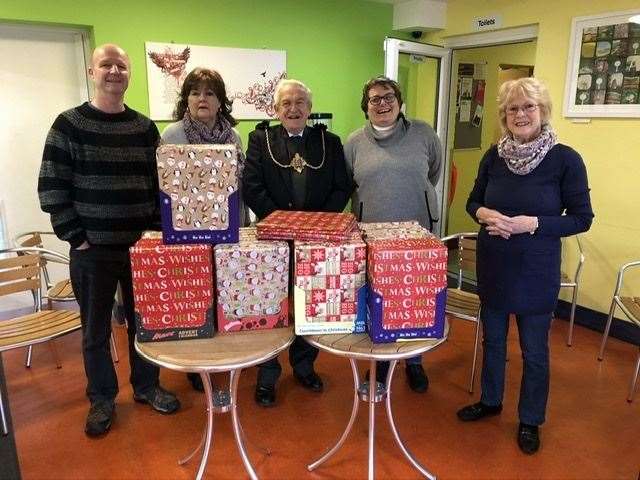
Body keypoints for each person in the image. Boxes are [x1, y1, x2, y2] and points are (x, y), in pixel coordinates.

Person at [38, 44, 180, 437]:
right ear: (92, 72)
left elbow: (161, 185)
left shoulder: (143, 128)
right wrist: (77, 238)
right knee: (95, 331)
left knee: (146, 325)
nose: (114, 71)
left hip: (142, 250)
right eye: (106, 65)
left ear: (129, 74)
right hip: (92, 251)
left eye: (121, 65)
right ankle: (102, 400)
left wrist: (154, 232)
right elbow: (51, 187)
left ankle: (147, 387)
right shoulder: (68, 125)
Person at [456, 77, 593, 454]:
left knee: (534, 351)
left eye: (528, 107)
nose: (520, 114)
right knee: (493, 339)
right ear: (503, 115)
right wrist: (484, 213)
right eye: (512, 108)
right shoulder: (493, 156)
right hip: (495, 264)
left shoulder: (565, 159)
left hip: (536, 268)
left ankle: (531, 420)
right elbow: (472, 201)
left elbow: (582, 218)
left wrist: (530, 224)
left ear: (543, 111)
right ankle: (491, 400)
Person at [242, 79, 351, 407]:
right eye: (286, 103)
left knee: (309, 304)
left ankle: (304, 366)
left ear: (310, 108)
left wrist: (314, 226)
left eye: (300, 102)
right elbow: (251, 185)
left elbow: (341, 186)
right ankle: (267, 374)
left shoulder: (328, 141)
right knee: (271, 305)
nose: (294, 108)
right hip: (272, 242)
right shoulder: (260, 139)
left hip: (316, 242)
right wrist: (283, 224)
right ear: (275, 109)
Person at [344, 76, 442, 393]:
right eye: (375, 99)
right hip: (372, 237)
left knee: (416, 300)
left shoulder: (423, 133)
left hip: (416, 236)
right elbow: (350, 183)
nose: (382, 103)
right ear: (365, 107)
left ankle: (415, 361)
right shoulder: (354, 143)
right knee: (381, 301)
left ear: (400, 103)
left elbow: (433, 172)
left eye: (389, 97)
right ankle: (381, 365)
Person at [161, 67, 248, 393]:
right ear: (186, 98)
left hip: (229, 228)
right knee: (196, 296)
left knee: (227, 291)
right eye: (195, 92)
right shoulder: (172, 135)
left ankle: (231, 355)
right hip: (188, 233)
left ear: (220, 100)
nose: (202, 98)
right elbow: (166, 186)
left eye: (209, 93)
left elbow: (238, 185)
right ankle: (198, 363)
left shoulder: (233, 136)